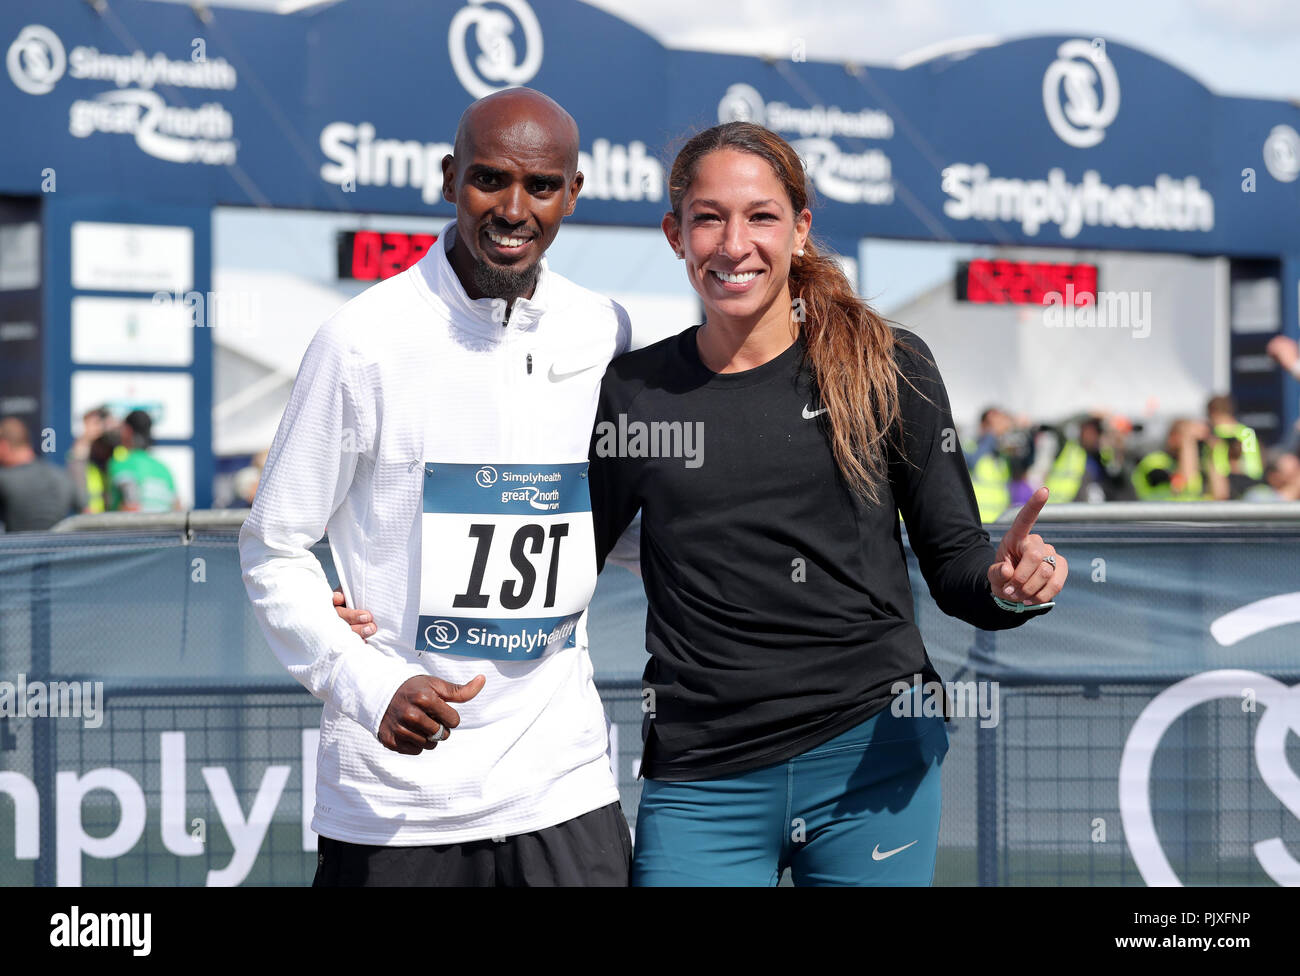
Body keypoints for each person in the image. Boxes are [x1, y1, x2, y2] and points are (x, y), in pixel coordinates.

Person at [585, 122, 1067, 886]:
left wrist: (1010, 588)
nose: (734, 243)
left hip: (871, 759)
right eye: (708, 217)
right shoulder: (634, 393)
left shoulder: (887, 363)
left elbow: (955, 563)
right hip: (699, 770)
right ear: (676, 234)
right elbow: (559, 562)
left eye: (762, 216)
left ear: (801, 230)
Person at [241, 88, 635, 886]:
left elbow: (644, 516)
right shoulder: (362, 343)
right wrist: (369, 683)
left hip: (563, 790)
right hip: (396, 802)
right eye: (490, 180)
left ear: (573, 193)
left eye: (542, 186)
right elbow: (273, 547)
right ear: (450, 178)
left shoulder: (606, 332)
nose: (514, 209)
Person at [0, 416, 76, 531]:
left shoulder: (4, 479)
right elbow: (90, 518)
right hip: (60, 548)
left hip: (16, 548)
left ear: (3, 446)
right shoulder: (61, 475)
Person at [107, 410, 180, 512]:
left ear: (127, 431)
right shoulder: (163, 468)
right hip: (163, 527)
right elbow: (177, 507)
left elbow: (131, 505)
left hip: (137, 527)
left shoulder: (122, 463)